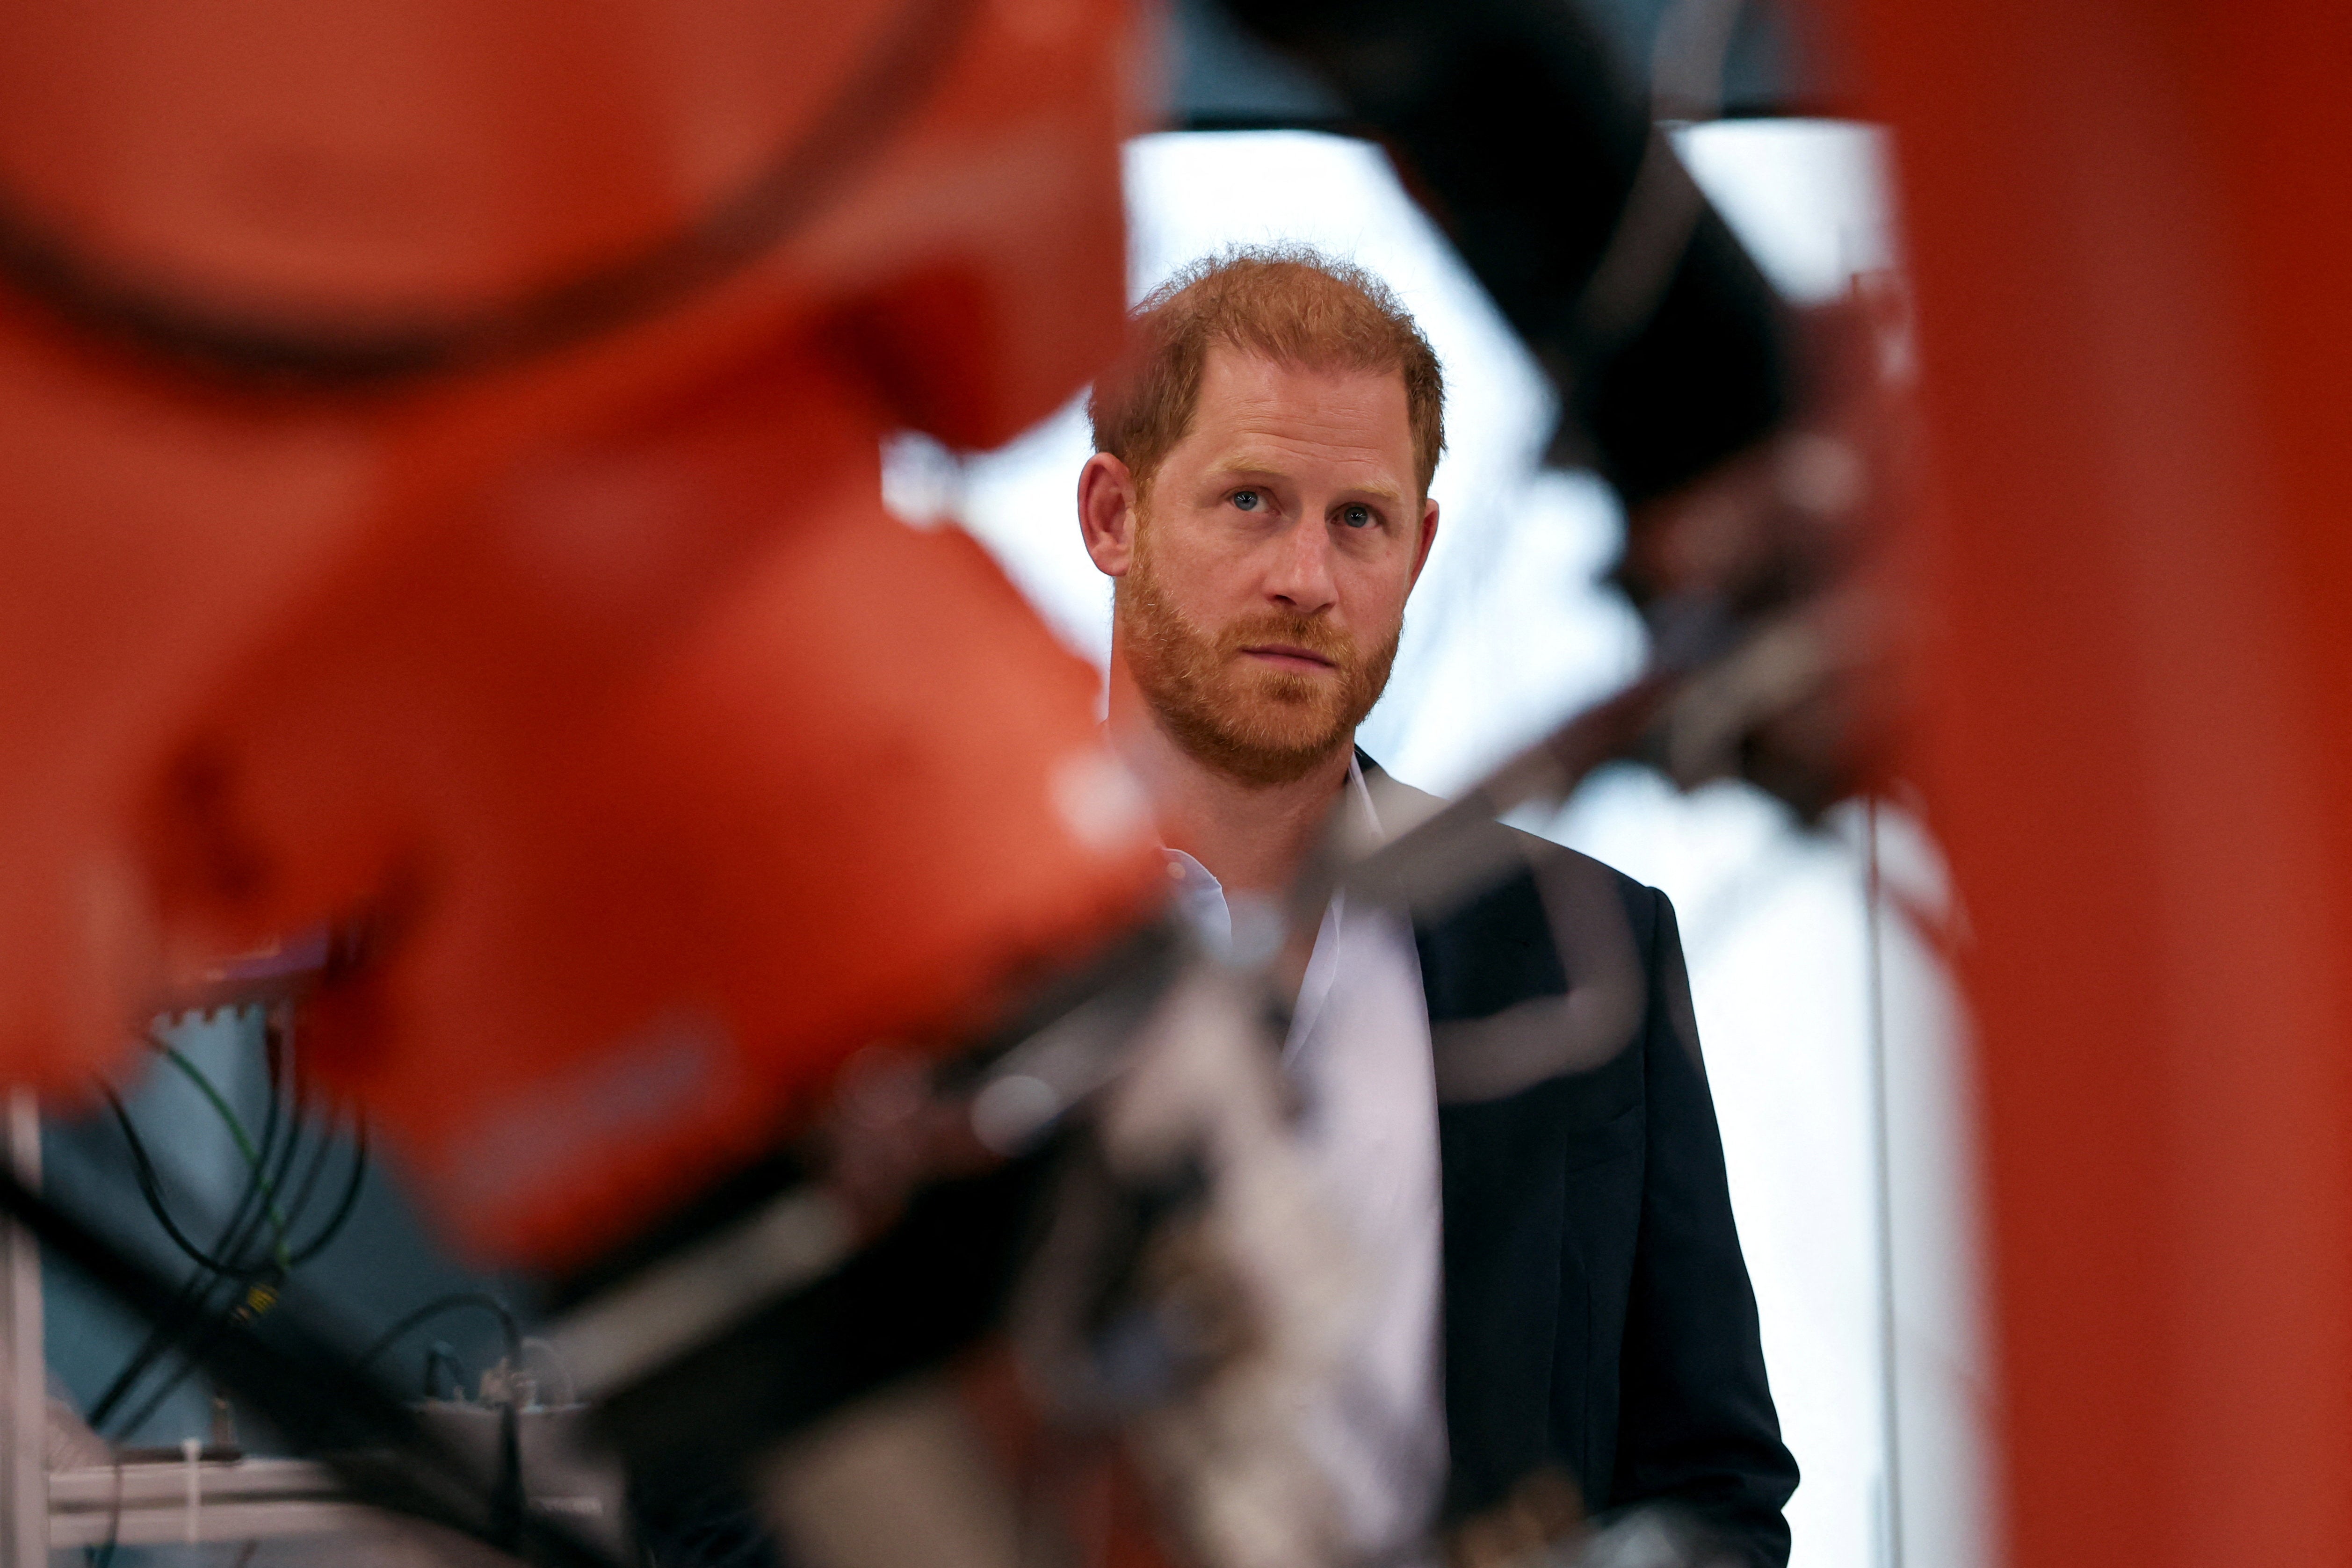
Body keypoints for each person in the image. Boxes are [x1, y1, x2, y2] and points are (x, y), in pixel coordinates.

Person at [1076, 247, 1798, 1567]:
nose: (1308, 576)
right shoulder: (928, 956)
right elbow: (732, 1499)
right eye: (1251, 500)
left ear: (1421, 547)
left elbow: (1715, 1490)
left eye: (1360, 519)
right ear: (1113, 514)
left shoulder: (1587, 949)